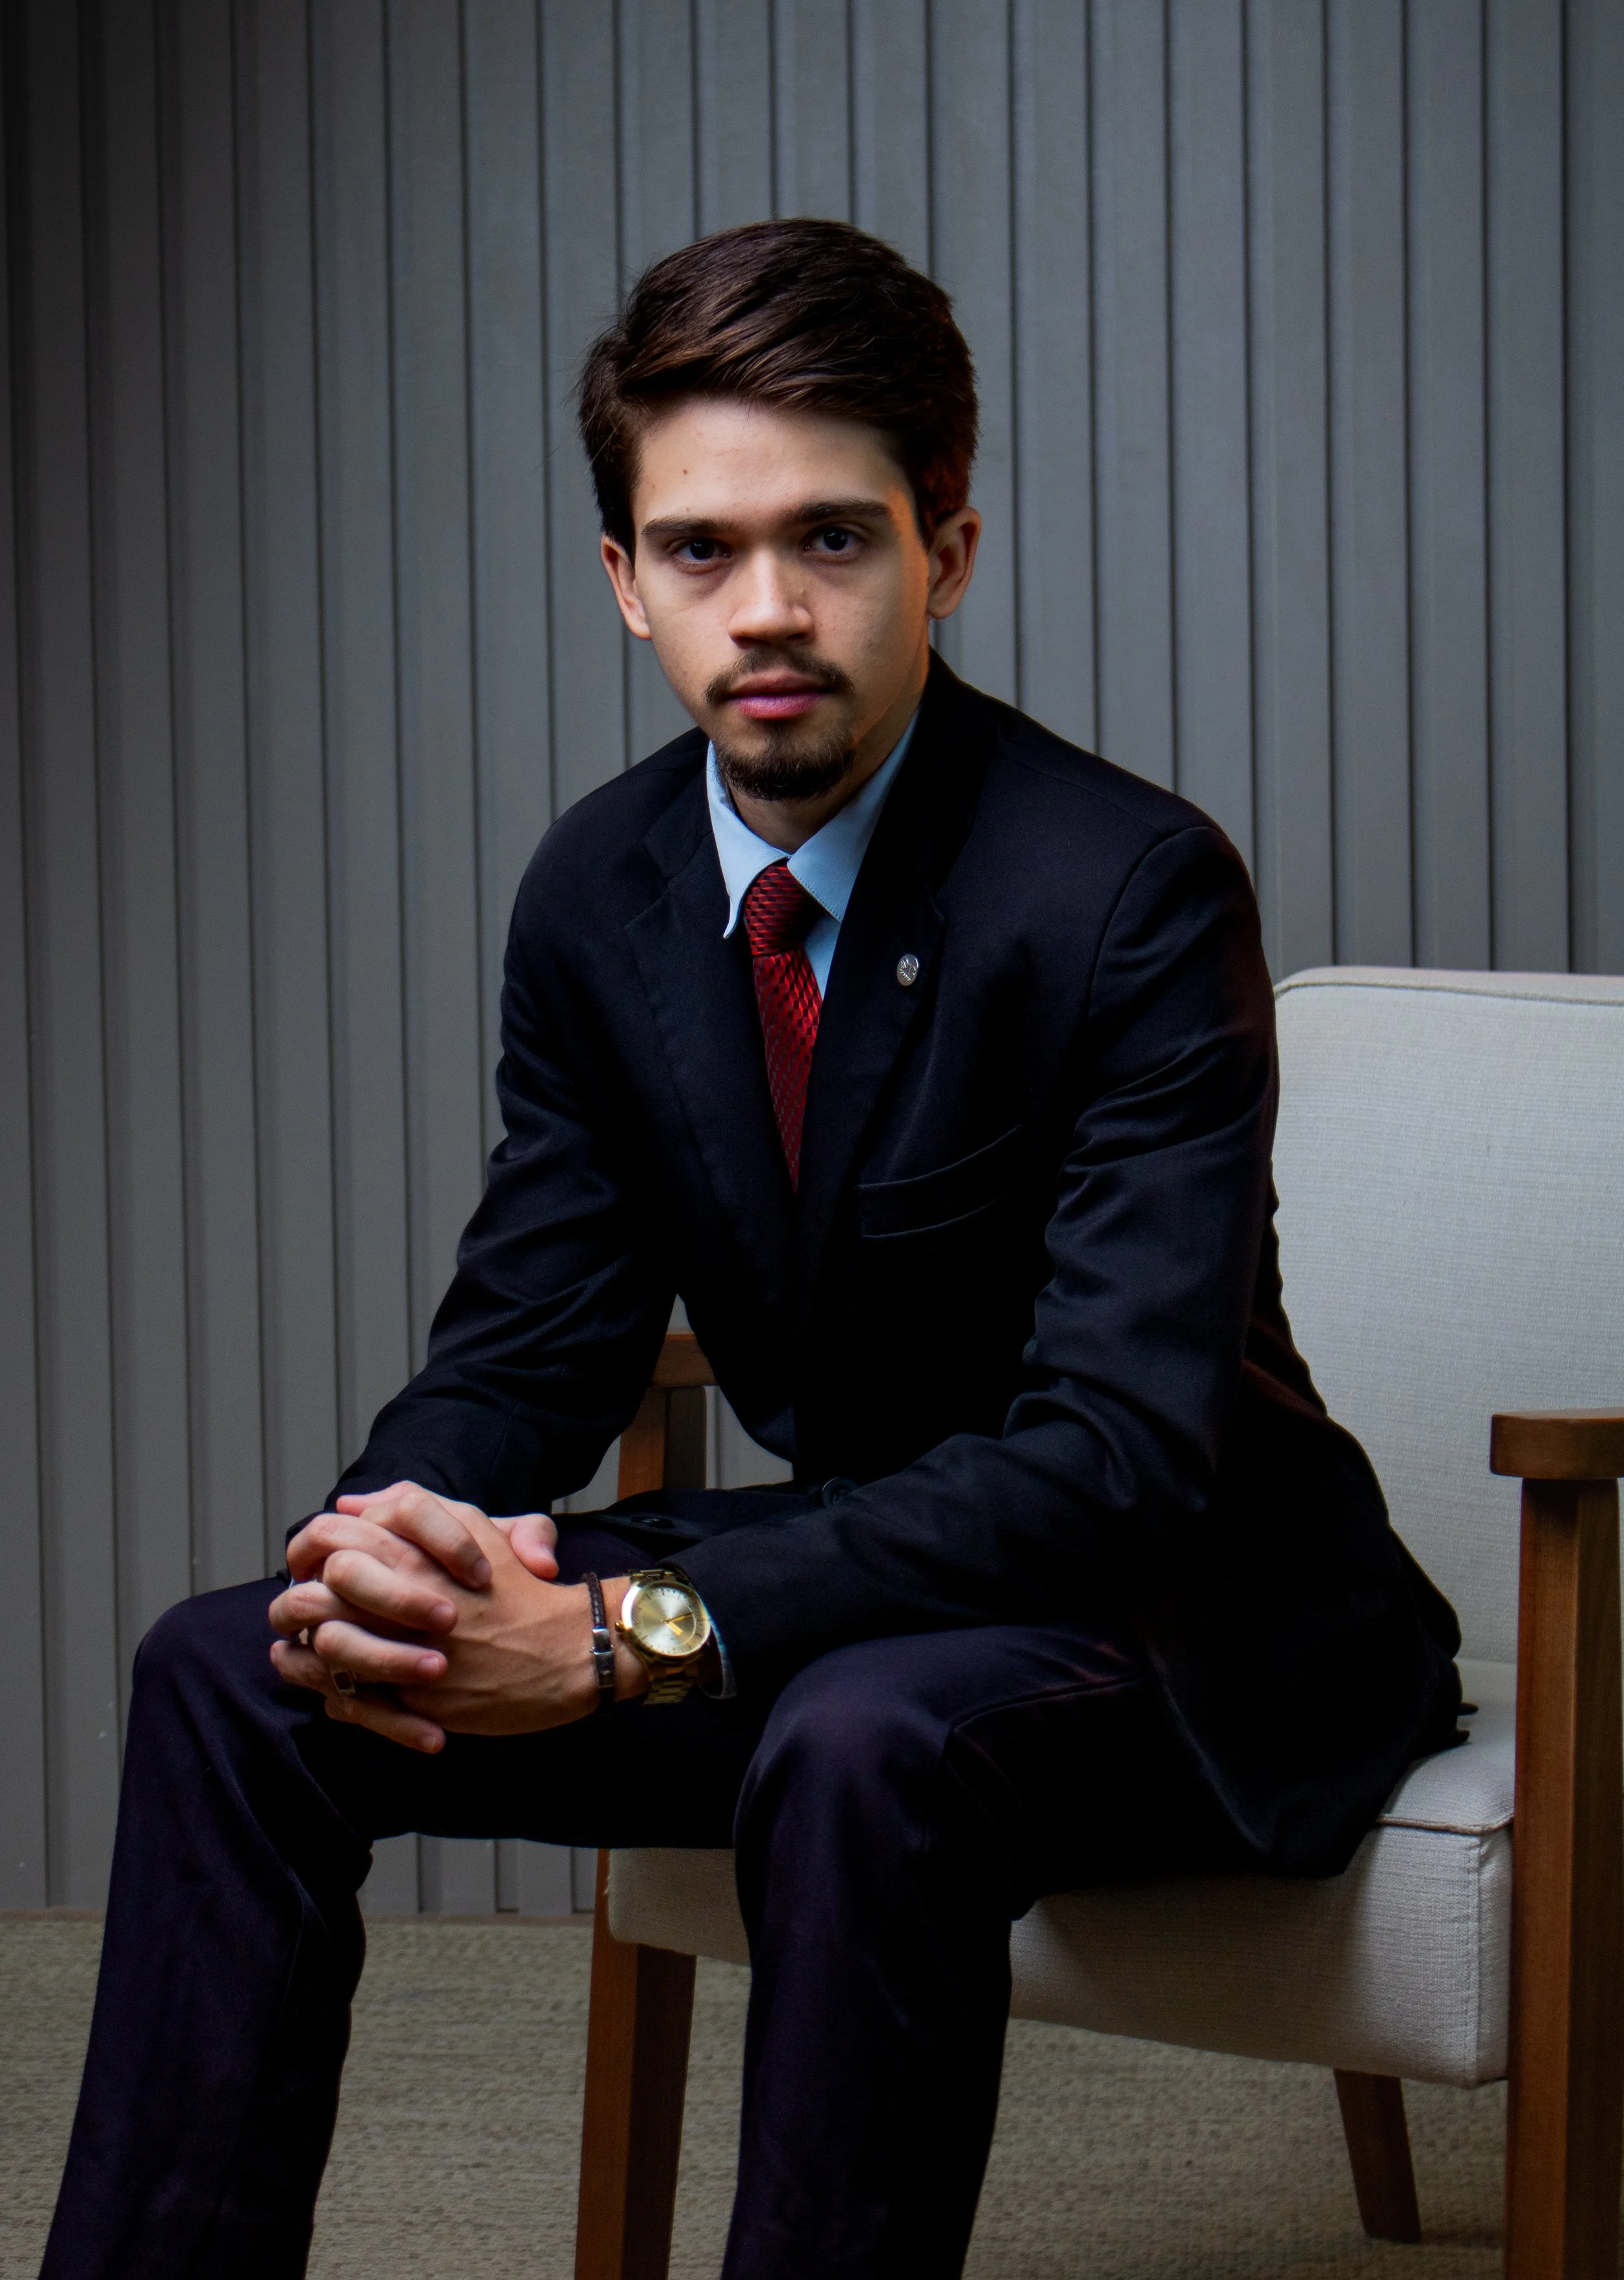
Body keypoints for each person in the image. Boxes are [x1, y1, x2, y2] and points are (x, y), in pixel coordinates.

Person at [42, 218, 1461, 2280]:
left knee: (861, 1734)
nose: (768, 608)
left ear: (945, 551)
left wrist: (621, 1639)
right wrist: (391, 1539)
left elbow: (1114, 1463)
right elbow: (533, 1333)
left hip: (1188, 1619)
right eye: (700, 549)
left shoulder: (1125, 888)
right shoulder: (599, 890)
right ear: (623, 580)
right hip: (863, 1580)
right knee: (234, 1674)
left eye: (835, 539)